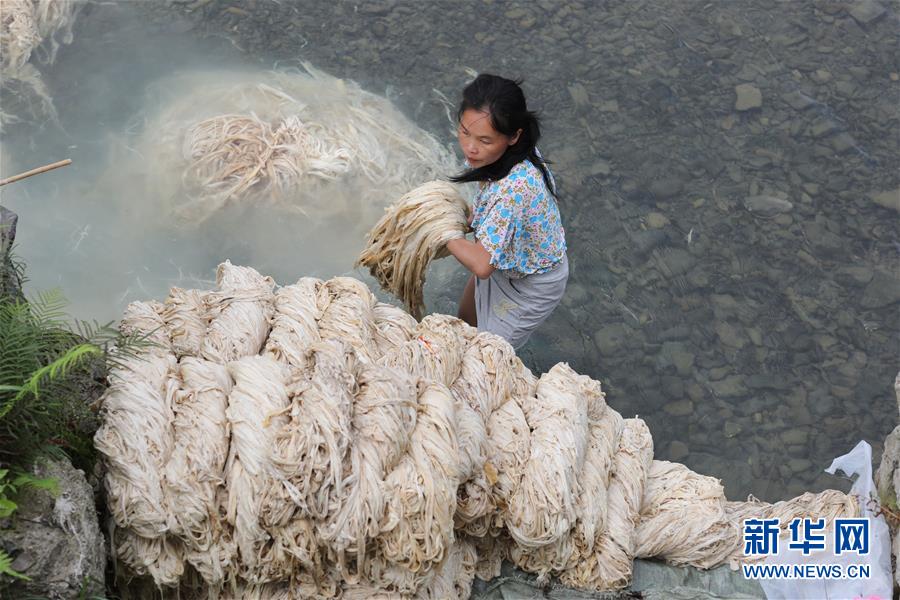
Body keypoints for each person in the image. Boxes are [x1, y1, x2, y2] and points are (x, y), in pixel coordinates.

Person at [444, 74, 568, 350]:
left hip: (532, 285)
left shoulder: (514, 191)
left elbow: (482, 265)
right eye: (465, 132)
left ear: (514, 136)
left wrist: (442, 232)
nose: (471, 148)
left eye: (485, 140)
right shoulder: (510, 156)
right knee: (464, 322)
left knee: (485, 355)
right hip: (509, 259)